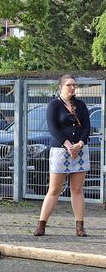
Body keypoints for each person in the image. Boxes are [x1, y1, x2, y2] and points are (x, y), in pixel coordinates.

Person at [34, 75, 90, 237]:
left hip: (79, 150)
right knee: (54, 189)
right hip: (60, 151)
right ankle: (41, 225)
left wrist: (79, 144)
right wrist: (68, 145)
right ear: (61, 86)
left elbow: (87, 127)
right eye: (69, 85)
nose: (72, 88)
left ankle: (80, 227)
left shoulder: (80, 105)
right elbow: (53, 129)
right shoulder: (54, 105)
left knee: (77, 189)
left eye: (74, 85)